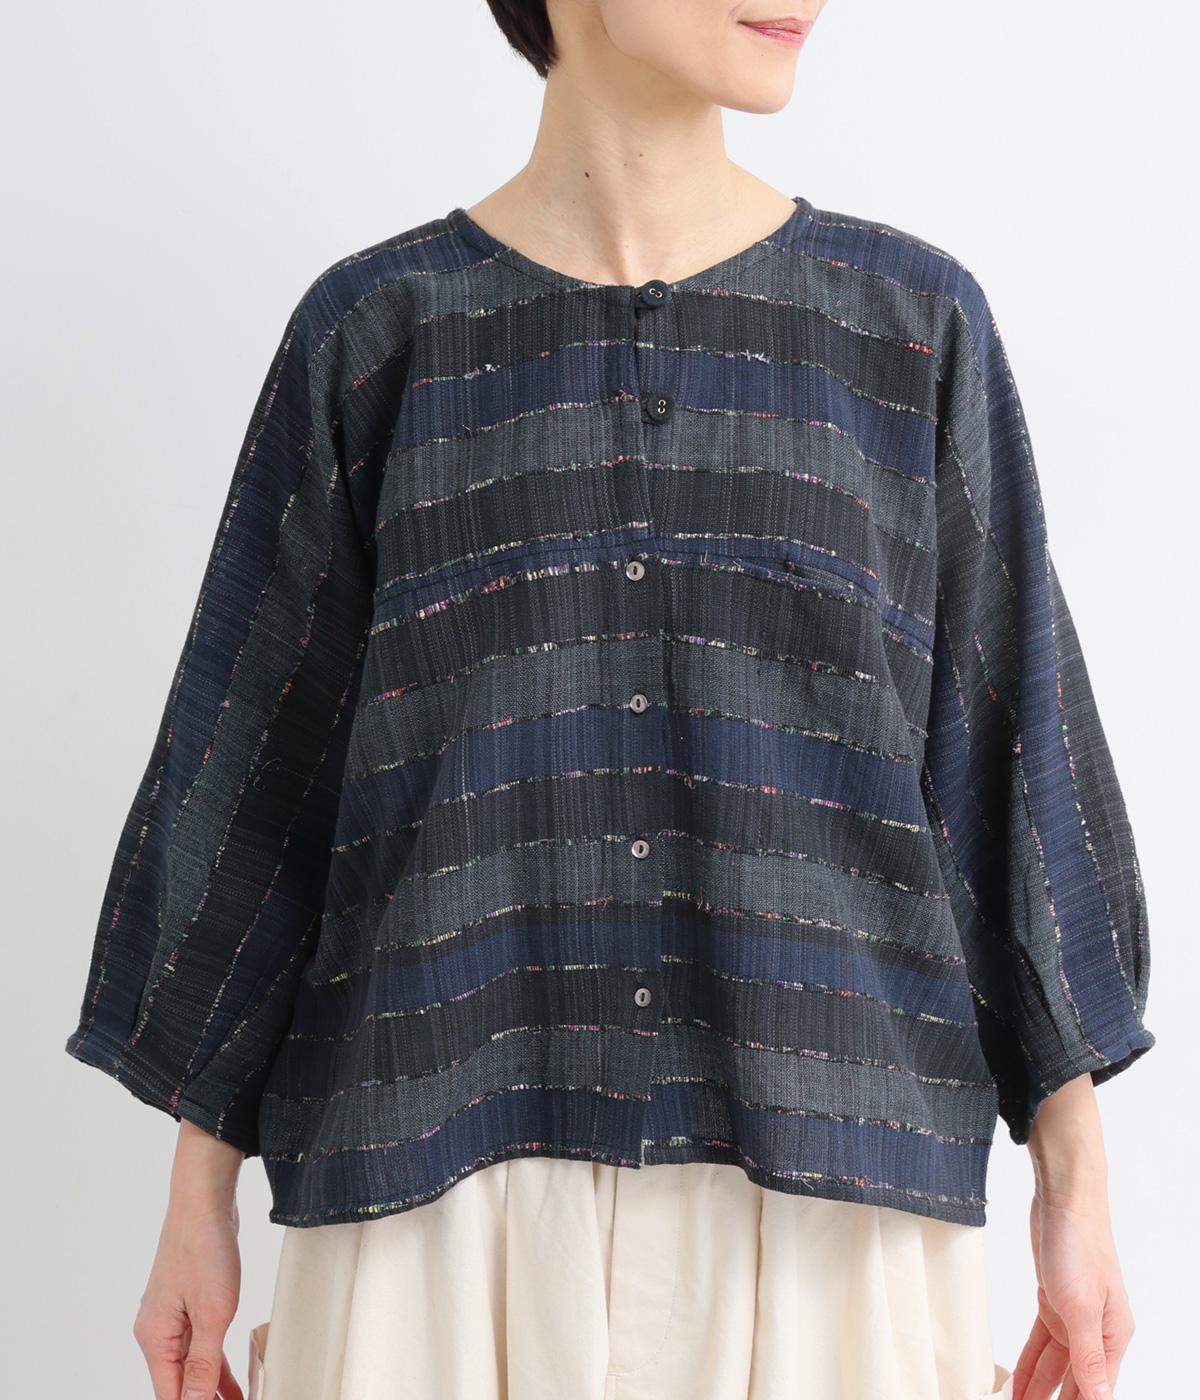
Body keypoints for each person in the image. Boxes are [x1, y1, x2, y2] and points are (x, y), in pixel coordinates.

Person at [63, 3, 1156, 1399]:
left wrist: (1077, 1189)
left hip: (830, 1197)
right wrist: (195, 1206)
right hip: (435, 1193)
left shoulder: (910, 331)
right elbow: (258, 787)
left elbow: (1010, 766)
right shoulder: (379, 335)